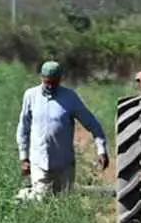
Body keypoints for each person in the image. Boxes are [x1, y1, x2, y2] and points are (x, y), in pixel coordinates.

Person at [16, 60, 108, 200]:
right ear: (41, 78)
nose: (51, 86)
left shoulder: (70, 97)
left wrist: (101, 149)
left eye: (54, 82)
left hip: (64, 163)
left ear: (60, 79)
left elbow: (92, 123)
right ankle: (24, 198)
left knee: (63, 200)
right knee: (41, 199)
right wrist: (24, 158)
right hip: (39, 161)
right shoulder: (31, 96)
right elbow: (23, 128)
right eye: (47, 82)